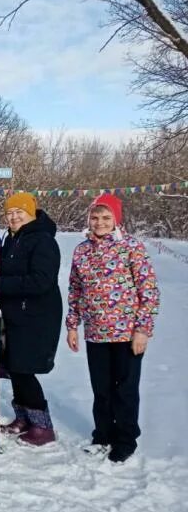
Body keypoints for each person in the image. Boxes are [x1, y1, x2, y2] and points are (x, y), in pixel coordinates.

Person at [66, 193, 160, 463]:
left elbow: (149, 291)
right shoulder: (82, 250)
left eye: (106, 217)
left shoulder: (131, 247)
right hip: (96, 333)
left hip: (127, 333)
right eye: (95, 217)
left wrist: (142, 329)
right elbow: (75, 290)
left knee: (125, 389)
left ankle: (126, 438)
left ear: (116, 219)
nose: (100, 222)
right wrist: (73, 326)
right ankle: (103, 435)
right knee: (101, 389)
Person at [0, 192, 62, 446]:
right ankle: (24, 417)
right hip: (15, 314)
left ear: (31, 213)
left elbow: (41, 281)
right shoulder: (13, 238)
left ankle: (42, 425)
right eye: (10, 213)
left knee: (25, 370)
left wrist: (0, 283)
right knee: (15, 368)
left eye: (20, 212)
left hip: (36, 316)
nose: (14, 216)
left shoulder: (42, 240)